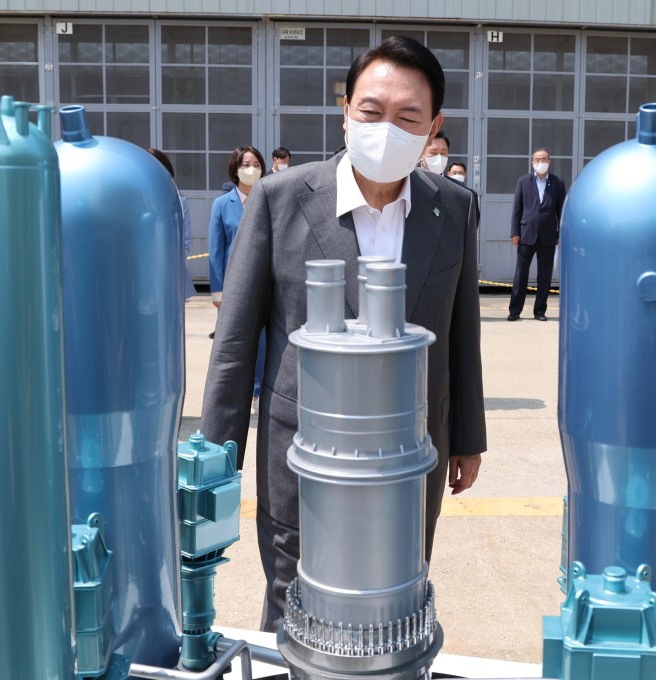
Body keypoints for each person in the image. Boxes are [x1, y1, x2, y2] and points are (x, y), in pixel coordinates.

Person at [201, 35, 485, 631]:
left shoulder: (454, 207)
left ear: (434, 126)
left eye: (408, 117)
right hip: (303, 452)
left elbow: (462, 333)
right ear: (346, 113)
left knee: (395, 603)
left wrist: (466, 435)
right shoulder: (280, 199)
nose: (386, 128)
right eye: (371, 111)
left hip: (412, 455)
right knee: (296, 606)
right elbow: (234, 343)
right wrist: (216, 456)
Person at [208, 145, 267, 413]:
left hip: (264, 282)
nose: (251, 169)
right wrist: (217, 291)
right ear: (235, 169)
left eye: (256, 164)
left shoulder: (269, 199)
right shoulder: (222, 205)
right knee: (234, 341)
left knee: (264, 340)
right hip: (233, 286)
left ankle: (258, 391)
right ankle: (235, 391)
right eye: (245, 164)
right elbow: (216, 250)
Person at [508, 148, 566, 322]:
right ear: (532, 162)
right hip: (526, 234)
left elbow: (561, 211)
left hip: (548, 237)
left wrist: (560, 233)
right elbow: (517, 209)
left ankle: (540, 310)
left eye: (544, 159)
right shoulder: (523, 181)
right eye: (537, 159)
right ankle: (515, 310)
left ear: (549, 161)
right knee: (521, 275)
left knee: (544, 276)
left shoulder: (557, 183)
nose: (541, 162)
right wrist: (515, 232)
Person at [145, 148, 196, 301]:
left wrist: (166, 268)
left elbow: (184, 242)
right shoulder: (133, 199)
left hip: (171, 277)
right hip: (139, 275)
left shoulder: (179, 201)